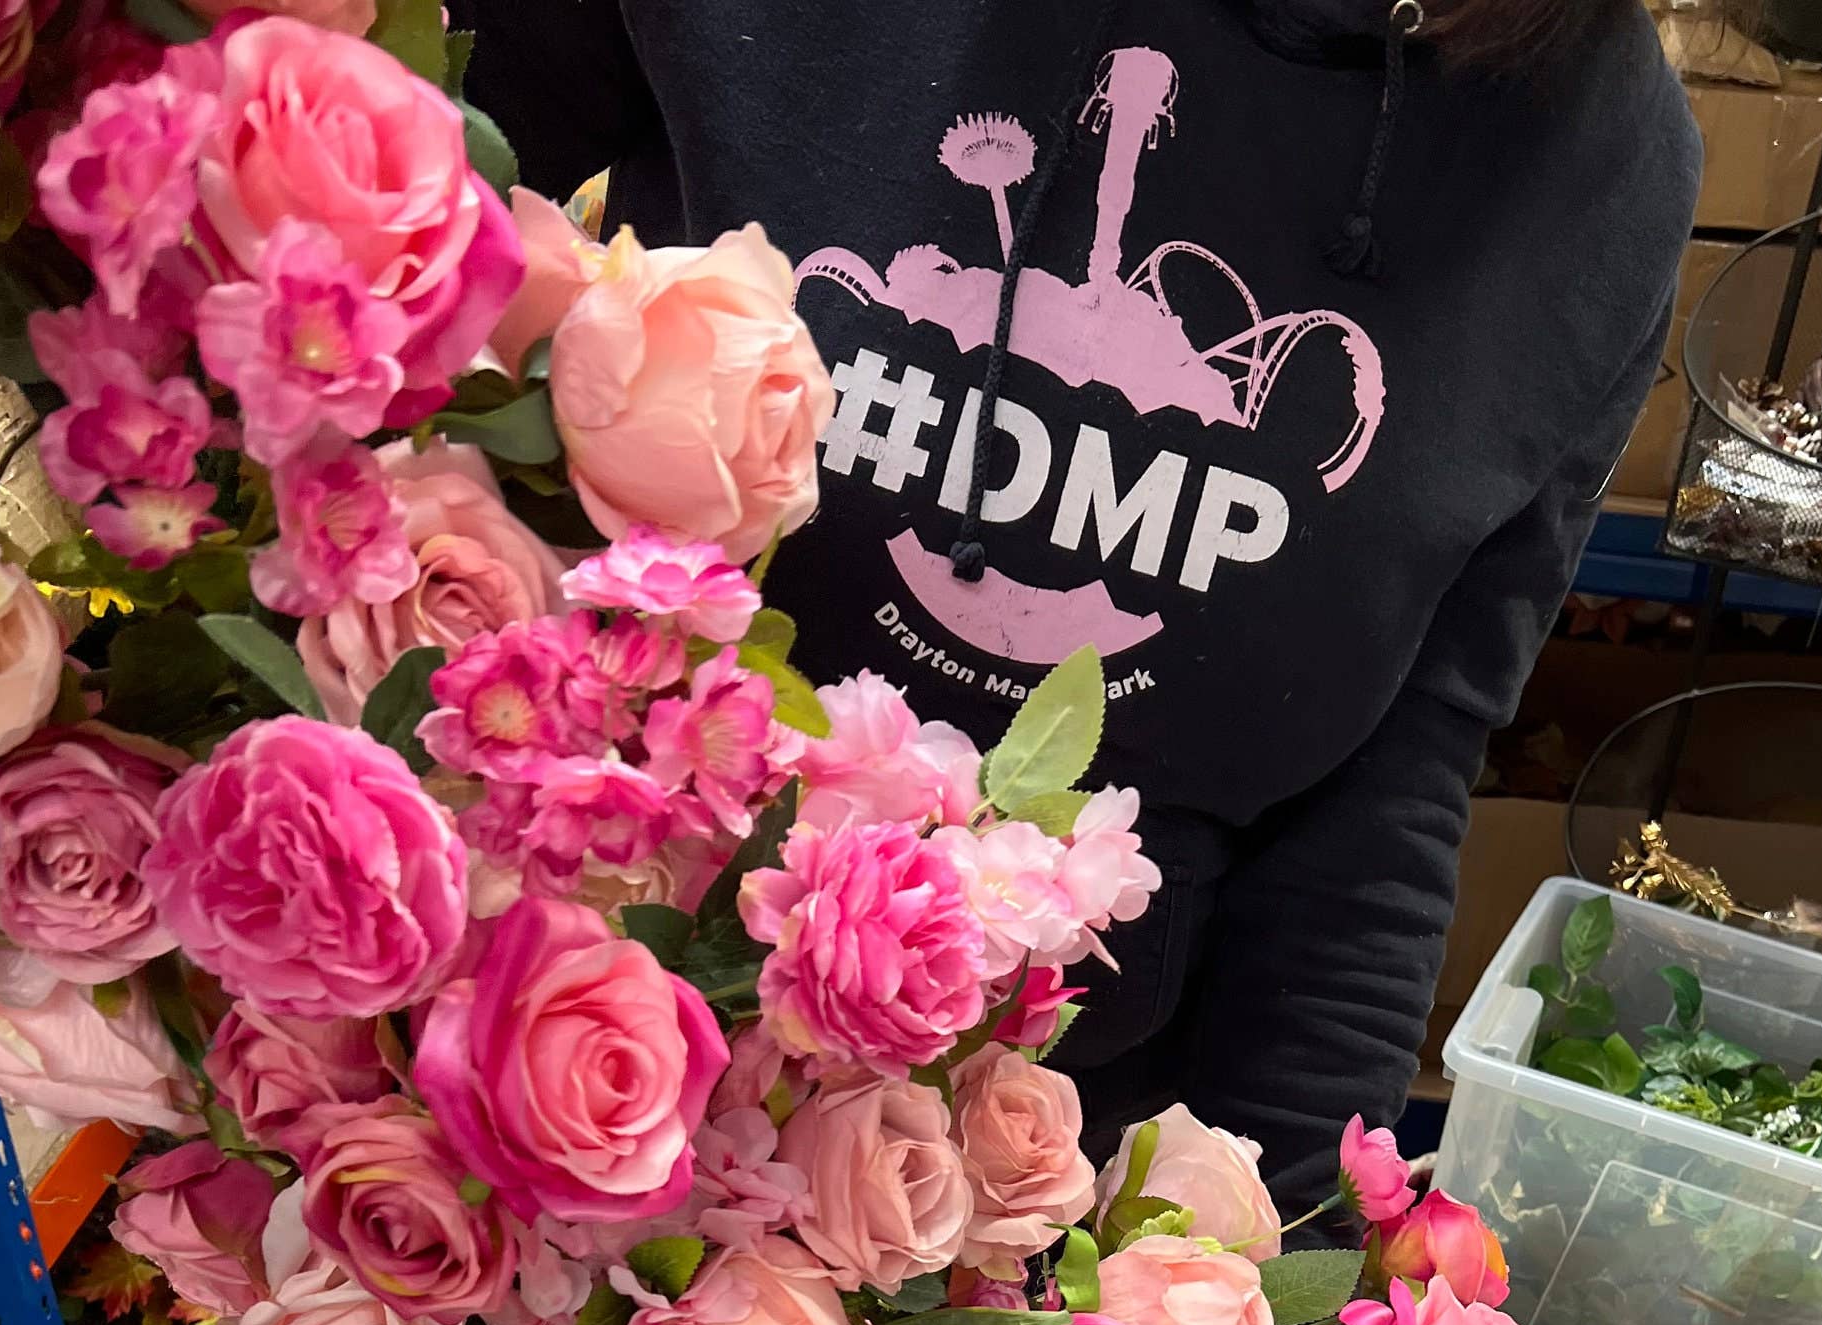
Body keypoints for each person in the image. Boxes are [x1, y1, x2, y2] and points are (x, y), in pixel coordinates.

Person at [469, 0, 1701, 1212]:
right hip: (544, 1030)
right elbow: (391, 247)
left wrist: (1274, 1287)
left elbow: (1390, 775)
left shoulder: (1606, 163)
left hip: (1025, 1189)